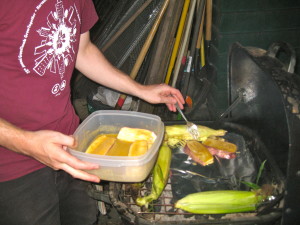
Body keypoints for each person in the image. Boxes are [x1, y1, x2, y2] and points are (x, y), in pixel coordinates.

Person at [0, 0, 185, 224]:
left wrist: (141, 90)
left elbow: (82, 50)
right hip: (12, 161)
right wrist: (26, 142)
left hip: (73, 143)